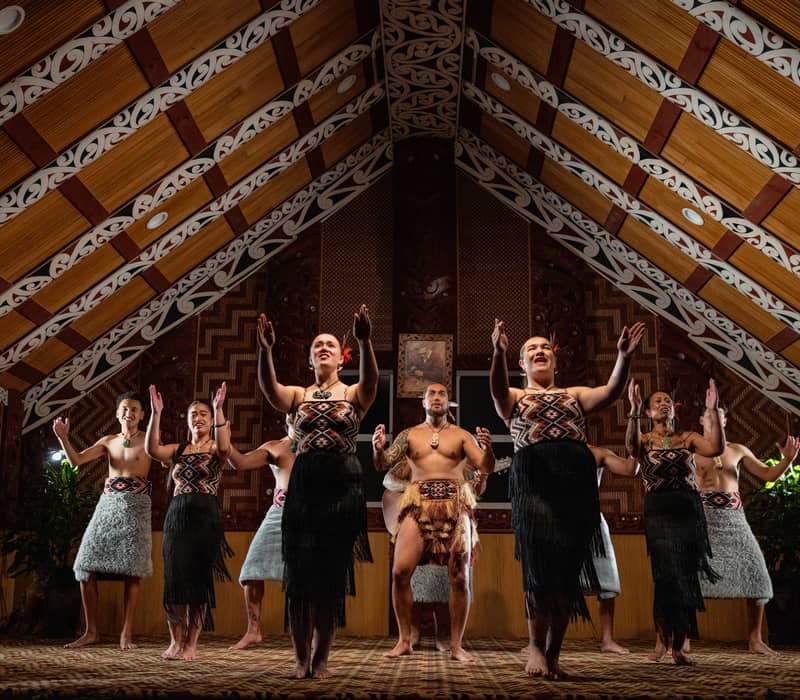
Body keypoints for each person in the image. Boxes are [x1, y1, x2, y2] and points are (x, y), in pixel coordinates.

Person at [490, 320, 645, 679]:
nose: (540, 351)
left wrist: (623, 356)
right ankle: (534, 646)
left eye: (545, 347)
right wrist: (498, 352)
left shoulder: (574, 394)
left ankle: (554, 654)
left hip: (575, 485)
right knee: (539, 573)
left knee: (566, 578)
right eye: (531, 349)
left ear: (555, 361)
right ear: (522, 365)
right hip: (535, 483)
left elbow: (610, 392)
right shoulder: (515, 397)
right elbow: (497, 390)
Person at [256, 305, 378, 679]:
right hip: (305, 484)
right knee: (300, 577)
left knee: (329, 577)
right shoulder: (298, 395)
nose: (323, 347)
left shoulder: (354, 392)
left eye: (330, 344)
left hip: (343, 484)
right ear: (310, 359)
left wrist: (364, 341)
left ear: (341, 358)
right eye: (317, 345)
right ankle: (299, 658)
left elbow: (372, 382)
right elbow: (271, 391)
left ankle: (321, 657)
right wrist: (266, 350)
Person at [375, 404, 492, 660]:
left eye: (442, 395)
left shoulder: (462, 439)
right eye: (433, 395)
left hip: (454, 510)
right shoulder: (412, 437)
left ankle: (455, 645)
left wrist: (487, 456)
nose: (438, 401)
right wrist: (378, 450)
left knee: (458, 578)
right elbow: (384, 471)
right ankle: (406, 639)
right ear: (425, 404)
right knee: (401, 571)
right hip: (418, 509)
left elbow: (482, 479)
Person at [626, 378, 724, 666]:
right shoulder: (644, 440)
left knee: (685, 577)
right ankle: (661, 641)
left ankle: (680, 647)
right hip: (658, 510)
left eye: (667, 400)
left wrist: (713, 410)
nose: (663, 404)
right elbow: (632, 450)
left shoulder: (688, 438)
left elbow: (716, 448)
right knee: (664, 577)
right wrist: (631, 411)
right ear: (648, 413)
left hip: (687, 510)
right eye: (657, 401)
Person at [53, 391, 153, 650]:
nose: (128, 413)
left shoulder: (150, 441)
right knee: (85, 565)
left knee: (133, 570)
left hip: (137, 506)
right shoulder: (108, 441)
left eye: (133, 409)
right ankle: (91, 631)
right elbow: (76, 461)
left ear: (142, 415)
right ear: (117, 413)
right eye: (124, 408)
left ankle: (126, 634)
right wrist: (63, 438)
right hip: (107, 505)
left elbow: (167, 460)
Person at [695, 407, 799, 656]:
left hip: (734, 518)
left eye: (719, 413)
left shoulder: (738, 449)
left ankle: (755, 639)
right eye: (710, 413)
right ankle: (684, 637)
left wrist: (786, 461)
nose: (715, 416)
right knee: (689, 576)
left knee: (757, 573)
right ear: (701, 420)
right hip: (702, 518)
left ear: (725, 420)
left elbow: (767, 474)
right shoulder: (692, 449)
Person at [145, 382, 232, 661]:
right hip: (177, 515)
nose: (198, 418)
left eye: (203, 414)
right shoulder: (178, 449)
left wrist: (218, 409)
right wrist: (156, 413)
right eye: (193, 414)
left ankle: (192, 643)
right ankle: (175, 640)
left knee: (198, 581)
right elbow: (151, 450)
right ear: (187, 420)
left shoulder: (217, 447)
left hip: (206, 516)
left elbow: (227, 448)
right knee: (174, 579)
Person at [228, 415, 296, 650]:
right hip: (278, 510)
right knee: (250, 570)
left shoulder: (319, 449)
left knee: (306, 578)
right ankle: (253, 630)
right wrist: (225, 443)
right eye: (292, 413)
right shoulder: (275, 447)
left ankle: (309, 634)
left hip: (309, 515)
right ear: (287, 418)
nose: (296, 417)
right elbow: (241, 463)